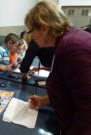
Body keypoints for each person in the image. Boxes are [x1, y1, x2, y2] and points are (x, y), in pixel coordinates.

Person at [25, 0, 91, 135]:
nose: (31, 36)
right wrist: (45, 100)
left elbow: (87, 111)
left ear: (43, 28)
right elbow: (70, 88)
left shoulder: (72, 48)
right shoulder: (64, 43)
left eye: (31, 31)